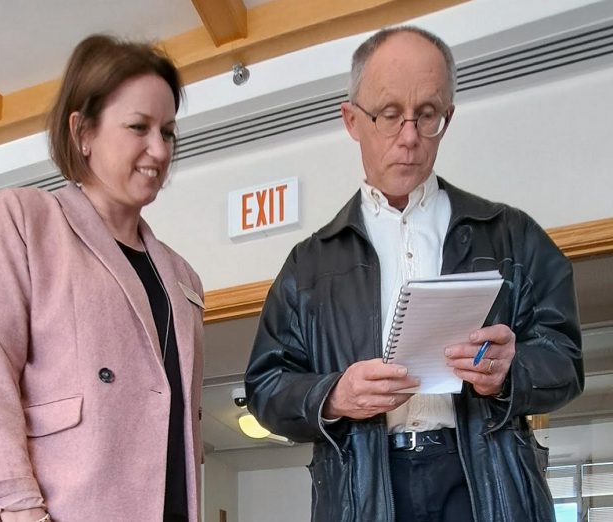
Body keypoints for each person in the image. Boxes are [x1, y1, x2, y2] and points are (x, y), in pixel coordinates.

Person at [245, 26, 583, 522]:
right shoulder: (308, 264)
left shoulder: (512, 235)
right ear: (351, 120)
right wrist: (334, 395)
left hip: (485, 483)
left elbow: (568, 360)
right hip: (365, 488)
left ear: (447, 116)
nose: (409, 138)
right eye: (388, 114)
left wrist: (512, 369)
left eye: (427, 116)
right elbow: (265, 387)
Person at [0, 35, 205, 522]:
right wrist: (17, 508)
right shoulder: (27, 222)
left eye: (168, 131)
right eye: (138, 127)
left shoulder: (182, 277)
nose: (159, 148)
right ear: (83, 131)